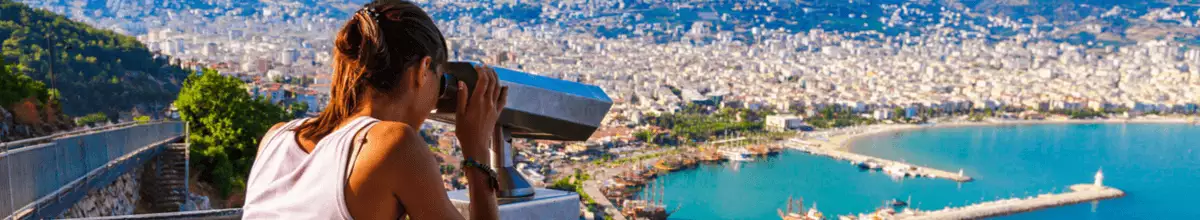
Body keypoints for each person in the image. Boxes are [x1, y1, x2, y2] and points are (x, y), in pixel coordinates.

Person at [242, 1, 506, 219]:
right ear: (424, 71)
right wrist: (477, 151)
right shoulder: (394, 144)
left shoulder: (276, 137)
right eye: (440, 79)